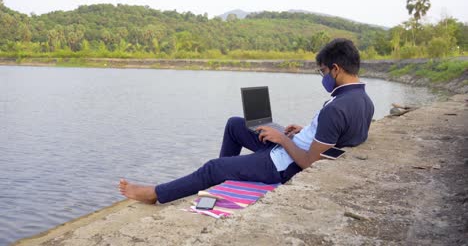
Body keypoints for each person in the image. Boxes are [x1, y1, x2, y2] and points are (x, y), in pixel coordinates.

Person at [119, 38, 374, 204]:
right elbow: (334, 140)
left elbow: (310, 163)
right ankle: (223, 175)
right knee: (234, 124)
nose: (323, 77)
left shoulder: (336, 107)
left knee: (213, 166)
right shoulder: (364, 101)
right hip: (293, 147)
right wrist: (303, 131)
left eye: (323, 71)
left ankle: (156, 193)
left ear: (336, 69)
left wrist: (283, 139)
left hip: (283, 165)